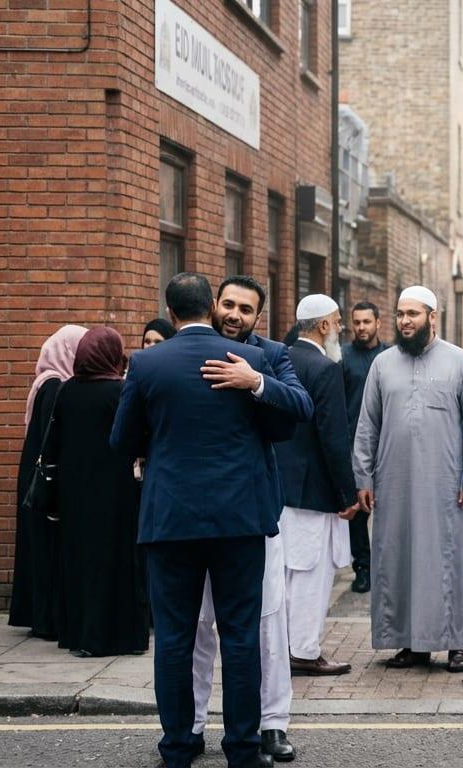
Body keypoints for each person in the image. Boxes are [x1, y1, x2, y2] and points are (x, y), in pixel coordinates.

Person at [111, 272, 293, 768]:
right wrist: (255, 385)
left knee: (173, 638)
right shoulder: (250, 359)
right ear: (212, 305)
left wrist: (160, 444)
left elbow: (121, 441)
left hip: (171, 520)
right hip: (238, 521)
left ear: (169, 313)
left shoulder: (147, 363)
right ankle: (241, 748)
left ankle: (178, 747)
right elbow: (288, 423)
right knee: (240, 637)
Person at [193, 275, 313, 764]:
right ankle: (193, 723)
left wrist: (256, 382)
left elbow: (302, 405)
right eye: (228, 304)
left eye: (246, 309)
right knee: (198, 624)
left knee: (267, 621)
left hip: (254, 510)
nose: (235, 314)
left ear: (258, 318)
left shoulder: (270, 355)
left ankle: (272, 725)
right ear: (214, 305)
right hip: (194, 512)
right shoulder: (188, 349)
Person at [354, 286, 463, 672]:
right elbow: (367, 424)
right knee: (397, 559)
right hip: (393, 482)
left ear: (433, 317)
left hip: (445, 482)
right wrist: (364, 476)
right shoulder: (382, 365)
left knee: (447, 562)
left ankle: (456, 643)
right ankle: (410, 642)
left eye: (413, 314)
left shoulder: (460, 362)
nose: (405, 321)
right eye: (400, 314)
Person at [47, 327, 148, 658]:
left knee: (78, 560)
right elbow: (136, 437)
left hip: (74, 492)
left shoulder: (65, 392)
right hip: (115, 492)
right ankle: (117, 636)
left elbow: (55, 443)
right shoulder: (119, 392)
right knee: (116, 560)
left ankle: (79, 634)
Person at [278, 294, 361, 678]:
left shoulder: (276, 359)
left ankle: (282, 648)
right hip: (314, 492)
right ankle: (304, 651)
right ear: (323, 326)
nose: (341, 328)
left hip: (278, 487)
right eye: (338, 321)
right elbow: (333, 436)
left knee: (284, 575)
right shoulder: (324, 368)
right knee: (312, 576)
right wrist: (347, 495)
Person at [10, 324, 86, 641]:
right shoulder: (56, 386)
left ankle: (37, 614)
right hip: (47, 483)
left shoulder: (45, 382)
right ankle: (46, 618)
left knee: (38, 549)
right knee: (47, 551)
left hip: (35, 479)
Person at [341, 301, 389, 595]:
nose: (361, 328)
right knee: (358, 513)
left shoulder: (391, 357)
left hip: (387, 444)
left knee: (387, 509)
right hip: (351, 444)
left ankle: (388, 569)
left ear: (378, 323)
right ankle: (363, 568)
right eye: (356, 322)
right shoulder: (342, 357)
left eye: (366, 322)